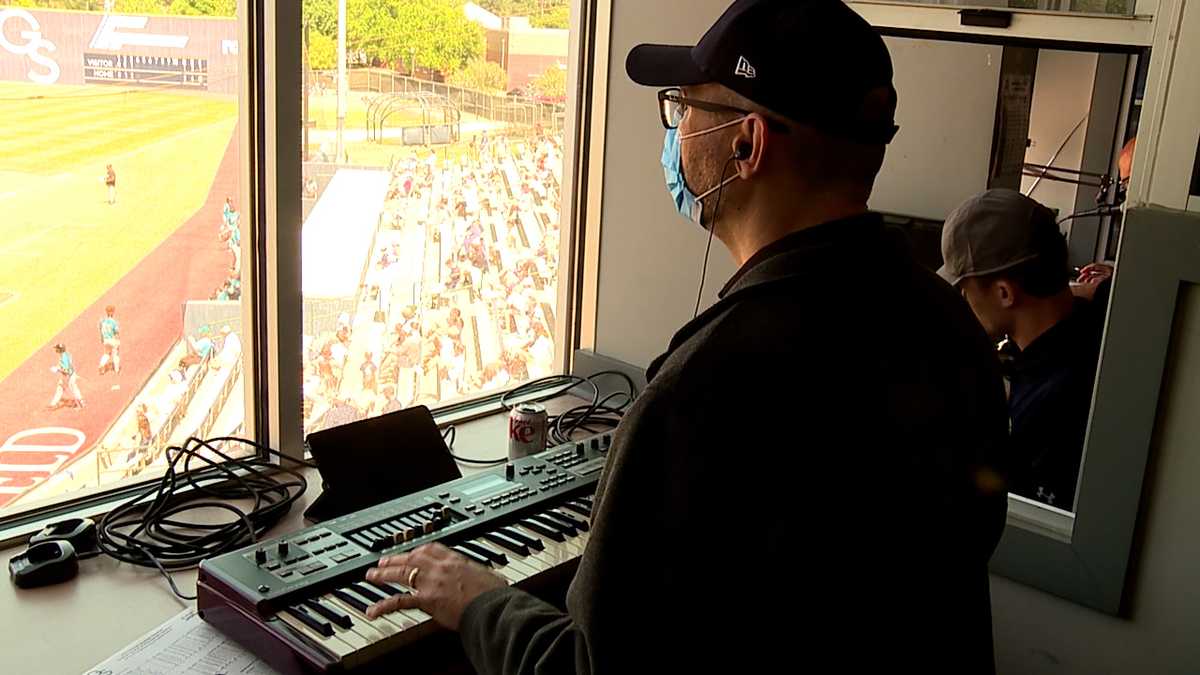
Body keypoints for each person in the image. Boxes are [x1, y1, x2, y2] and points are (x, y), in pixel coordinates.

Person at [363, 2, 1010, 673]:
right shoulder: (951, 326)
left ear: (746, 144)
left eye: (687, 107)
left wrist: (478, 600)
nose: (676, 129)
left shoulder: (703, 390)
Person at [939, 189, 1104, 510]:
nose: (962, 301)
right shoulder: (1092, 328)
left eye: (964, 289)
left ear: (1004, 293)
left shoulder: (1055, 404)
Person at [49, 344, 84, 409]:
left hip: (68, 377)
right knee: (62, 388)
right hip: (70, 375)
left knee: (72, 389)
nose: (55, 350)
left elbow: (66, 370)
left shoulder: (64, 358)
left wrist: (57, 369)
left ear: (60, 350)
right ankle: (53, 404)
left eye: (57, 348)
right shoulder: (66, 355)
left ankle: (79, 404)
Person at [98, 304, 121, 375]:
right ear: (112, 312)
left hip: (106, 340)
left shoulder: (103, 321)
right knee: (115, 354)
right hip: (112, 340)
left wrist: (102, 339)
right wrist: (117, 341)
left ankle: (101, 365)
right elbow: (116, 332)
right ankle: (117, 370)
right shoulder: (114, 322)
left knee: (106, 354)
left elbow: (100, 330)